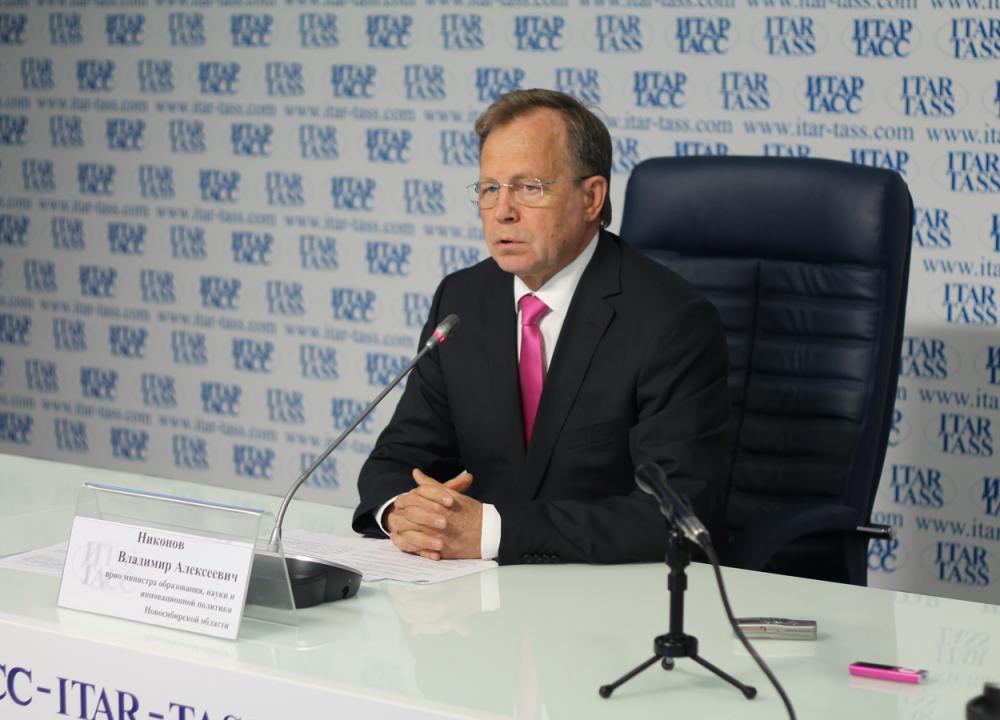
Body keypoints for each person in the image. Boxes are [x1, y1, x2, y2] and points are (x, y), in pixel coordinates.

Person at [352, 89, 730, 564]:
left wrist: (492, 532)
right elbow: (396, 460)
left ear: (591, 197)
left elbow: (675, 514)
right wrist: (401, 512)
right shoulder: (462, 300)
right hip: (475, 593)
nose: (503, 211)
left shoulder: (671, 322)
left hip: (610, 593)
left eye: (529, 187)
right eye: (490, 189)